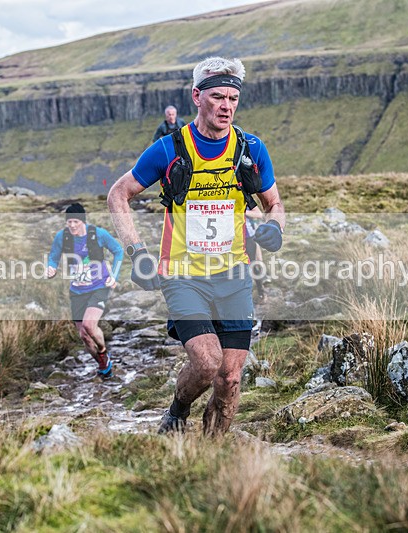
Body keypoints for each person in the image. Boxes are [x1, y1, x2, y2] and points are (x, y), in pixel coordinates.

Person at [108, 57, 286, 436]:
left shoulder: (251, 149)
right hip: (182, 275)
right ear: (196, 96)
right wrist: (136, 252)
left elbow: (275, 204)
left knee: (230, 379)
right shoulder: (168, 148)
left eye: (233, 98)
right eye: (218, 96)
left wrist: (274, 228)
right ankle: (177, 409)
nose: (226, 106)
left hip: (235, 275)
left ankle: (212, 460)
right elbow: (118, 194)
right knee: (207, 365)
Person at [46, 203, 124, 379]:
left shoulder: (98, 234)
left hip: (99, 286)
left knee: (89, 325)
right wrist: (50, 268)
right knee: (84, 336)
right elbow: (53, 257)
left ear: (83, 221)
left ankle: (103, 353)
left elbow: (118, 251)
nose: (72, 225)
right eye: (69, 222)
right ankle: (103, 365)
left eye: (75, 222)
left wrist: (114, 276)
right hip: (77, 290)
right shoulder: (62, 237)